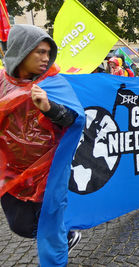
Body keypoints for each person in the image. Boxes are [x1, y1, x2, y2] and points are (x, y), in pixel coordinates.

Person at [0, 25, 83, 253]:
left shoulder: (53, 82)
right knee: (19, 224)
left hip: (46, 170)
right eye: (40, 52)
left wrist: (49, 107)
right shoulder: (1, 81)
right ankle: (60, 232)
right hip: (10, 170)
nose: (46, 58)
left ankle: (62, 236)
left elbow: (75, 119)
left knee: (41, 219)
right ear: (22, 50)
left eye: (48, 52)